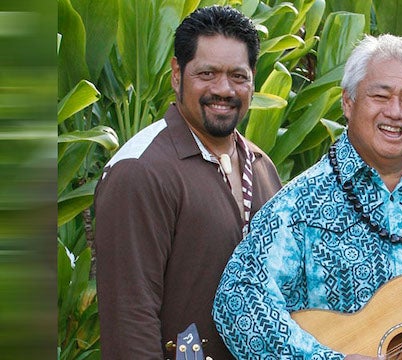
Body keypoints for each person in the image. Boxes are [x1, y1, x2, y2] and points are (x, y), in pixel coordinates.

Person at [212, 34, 402, 359]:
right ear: (348, 102)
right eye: (380, 95)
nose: (395, 112)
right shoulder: (301, 204)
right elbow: (239, 300)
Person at [93, 5, 282, 359]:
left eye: (238, 76)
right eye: (207, 73)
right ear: (177, 75)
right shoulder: (140, 170)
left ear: (253, 78)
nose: (223, 89)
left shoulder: (260, 165)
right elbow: (129, 320)